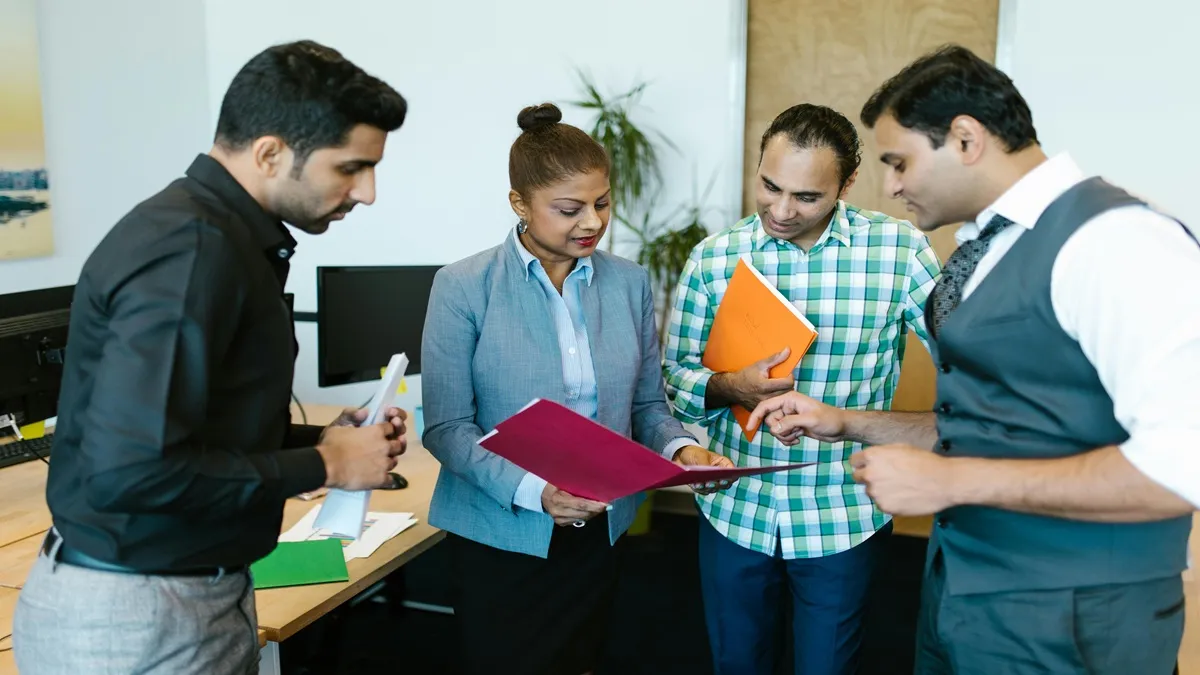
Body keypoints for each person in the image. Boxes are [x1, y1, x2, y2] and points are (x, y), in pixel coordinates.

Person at [748, 45, 1199, 675]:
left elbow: (1183, 465)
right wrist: (846, 421)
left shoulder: (1118, 243)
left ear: (965, 139)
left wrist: (951, 483)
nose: (891, 186)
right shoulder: (989, 247)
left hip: (1070, 621)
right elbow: (989, 428)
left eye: (900, 162)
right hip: (965, 599)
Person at [13, 40, 410, 675]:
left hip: (188, 592)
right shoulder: (191, 252)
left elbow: (197, 431)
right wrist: (323, 464)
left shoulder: (227, 240)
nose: (366, 193)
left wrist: (327, 439)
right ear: (271, 152)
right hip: (138, 610)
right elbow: (132, 473)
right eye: (350, 168)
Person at [421, 102, 734, 675]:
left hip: (598, 527)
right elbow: (445, 427)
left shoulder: (629, 283)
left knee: (581, 661)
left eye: (602, 203)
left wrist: (681, 451)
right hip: (501, 531)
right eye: (569, 209)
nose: (591, 221)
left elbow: (644, 405)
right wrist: (532, 490)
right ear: (519, 204)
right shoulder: (462, 287)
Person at [662, 103, 943, 675]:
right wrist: (727, 387)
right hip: (734, 507)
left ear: (847, 184)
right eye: (769, 186)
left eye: (807, 197)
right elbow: (674, 378)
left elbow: (966, 361)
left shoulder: (899, 251)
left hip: (845, 509)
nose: (781, 210)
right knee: (736, 663)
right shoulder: (715, 259)